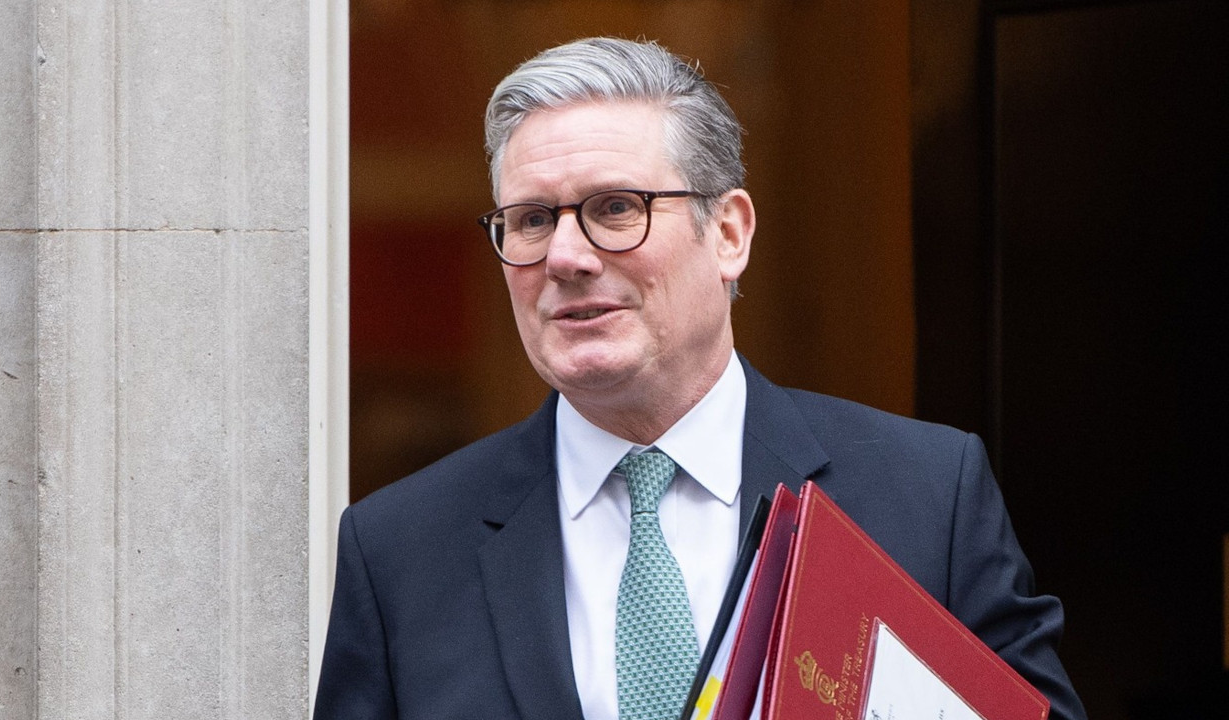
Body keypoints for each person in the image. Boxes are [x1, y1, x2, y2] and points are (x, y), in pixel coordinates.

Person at [314, 37, 1087, 720]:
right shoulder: (400, 552)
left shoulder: (925, 496)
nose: (566, 257)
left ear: (728, 233)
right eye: (532, 220)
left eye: (615, 208)